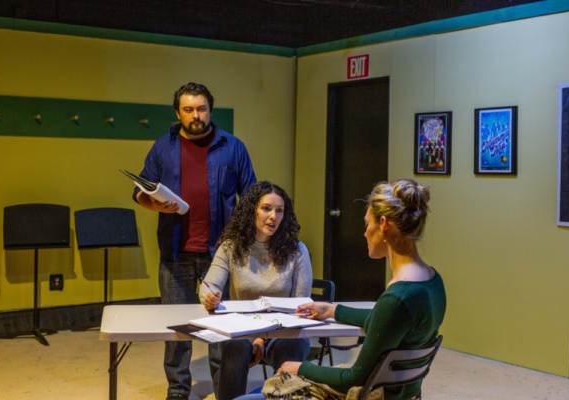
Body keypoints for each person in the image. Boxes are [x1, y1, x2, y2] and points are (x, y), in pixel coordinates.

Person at [235, 179, 446, 400]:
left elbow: (354, 379)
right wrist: (333, 311)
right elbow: (383, 320)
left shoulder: (397, 298)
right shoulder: (432, 282)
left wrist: (298, 368)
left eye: (367, 225)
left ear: (383, 225)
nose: (365, 233)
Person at [133, 82, 256, 400]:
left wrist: (246, 241)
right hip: (176, 254)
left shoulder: (233, 147)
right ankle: (178, 390)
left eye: (201, 108)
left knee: (221, 329)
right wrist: (155, 204)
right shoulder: (162, 147)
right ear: (178, 113)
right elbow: (140, 192)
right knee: (178, 330)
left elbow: (252, 196)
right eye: (188, 109)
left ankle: (223, 389)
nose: (195, 115)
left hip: (223, 256)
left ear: (210, 110)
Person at [199, 181, 312, 400]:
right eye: (266, 208)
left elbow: (299, 307)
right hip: (243, 329)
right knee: (235, 345)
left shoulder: (297, 251)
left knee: (292, 343)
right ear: (252, 211)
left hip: (285, 329)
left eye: (279, 211)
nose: (273, 217)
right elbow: (209, 285)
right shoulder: (230, 247)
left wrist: (263, 338)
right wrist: (210, 297)